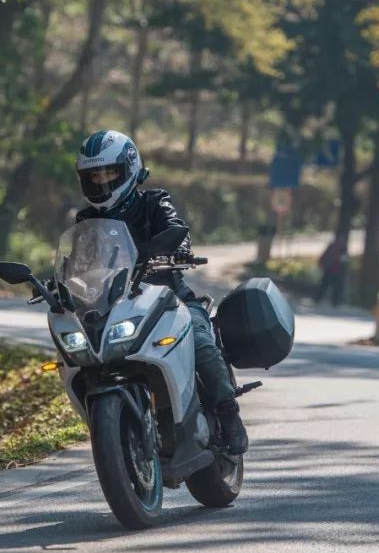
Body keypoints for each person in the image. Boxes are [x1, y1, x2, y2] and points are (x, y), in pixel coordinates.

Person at [71, 129, 248, 455]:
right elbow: (79, 263)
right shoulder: (86, 220)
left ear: (129, 169)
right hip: (115, 305)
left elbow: (175, 230)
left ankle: (228, 411)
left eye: (110, 172)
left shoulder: (154, 202)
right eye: (94, 175)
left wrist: (177, 250)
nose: (103, 181)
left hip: (168, 298)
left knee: (199, 333)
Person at [316, 236, 348, 307]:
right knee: (335, 287)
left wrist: (321, 264)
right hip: (335, 271)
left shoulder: (332, 246)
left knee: (324, 285)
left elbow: (324, 256)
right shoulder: (342, 249)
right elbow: (343, 261)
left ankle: (318, 299)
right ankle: (335, 302)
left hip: (329, 269)